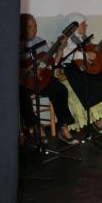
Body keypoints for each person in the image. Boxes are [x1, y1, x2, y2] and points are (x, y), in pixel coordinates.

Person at [60, 13, 102, 134]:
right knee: (90, 84)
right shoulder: (67, 40)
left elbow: (98, 54)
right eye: (83, 24)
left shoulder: (86, 39)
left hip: (89, 68)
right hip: (74, 69)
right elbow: (65, 53)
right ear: (74, 26)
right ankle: (96, 118)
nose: (86, 25)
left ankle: (101, 114)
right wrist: (85, 55)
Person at [19, 14, 79, 144]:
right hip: (24, 81)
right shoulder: (15, 44)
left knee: (60, 89)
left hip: (42, 79)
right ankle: (35, 125)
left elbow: (53, 63)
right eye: (30, 27)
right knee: (21, 94)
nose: (34, 30)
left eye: (35, 27)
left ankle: (63, 127)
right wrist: (27, 71)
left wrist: (60, 49)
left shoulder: (41, 41)